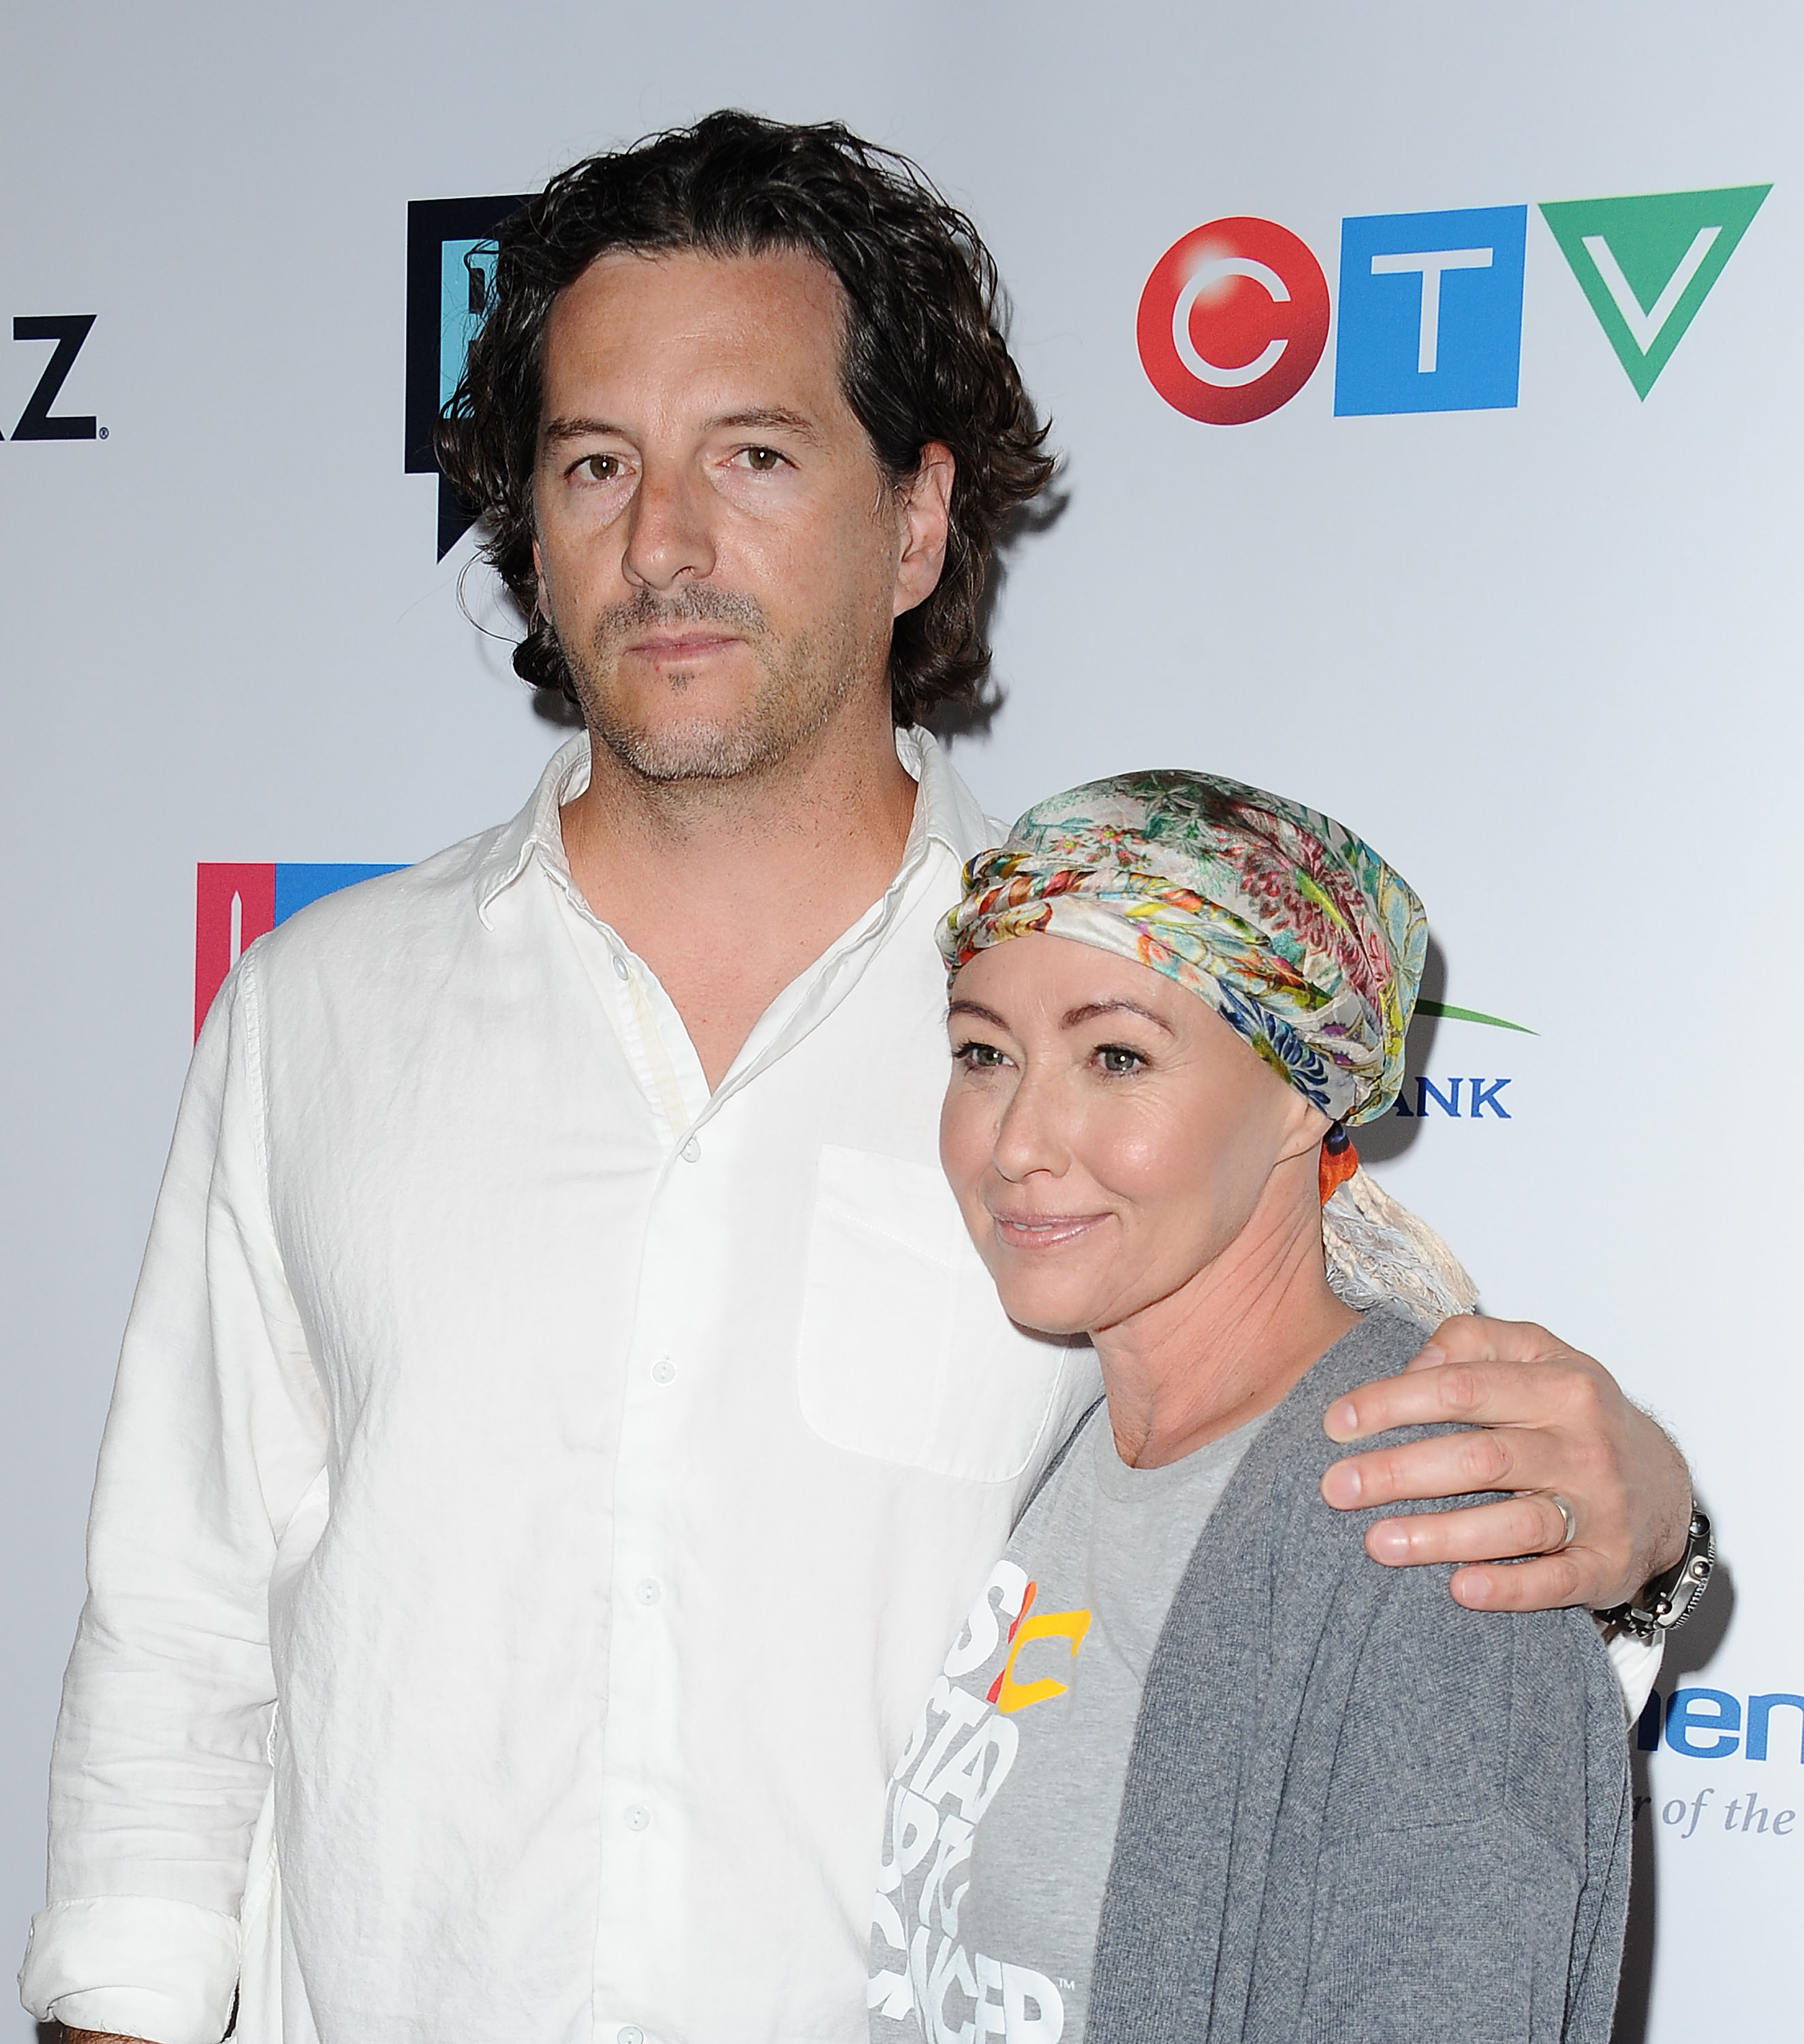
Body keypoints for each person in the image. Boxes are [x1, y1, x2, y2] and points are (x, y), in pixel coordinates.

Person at [22, 114, 1688, 2044]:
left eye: (754, 453)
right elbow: (178, 1641)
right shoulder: (312, 1018)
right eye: (593, 467)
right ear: (529, 533)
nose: (664, 545)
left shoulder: (1104, 1042)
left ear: (913, 519)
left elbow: (1392, 1472)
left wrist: (1644, 1534)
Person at [870, 772, 1632, 2043]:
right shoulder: (1069, 1442)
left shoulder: (1425, 1541)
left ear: (1304, 1094)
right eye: (983, 1054)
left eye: (1117, 1056)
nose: (1016, 1139)